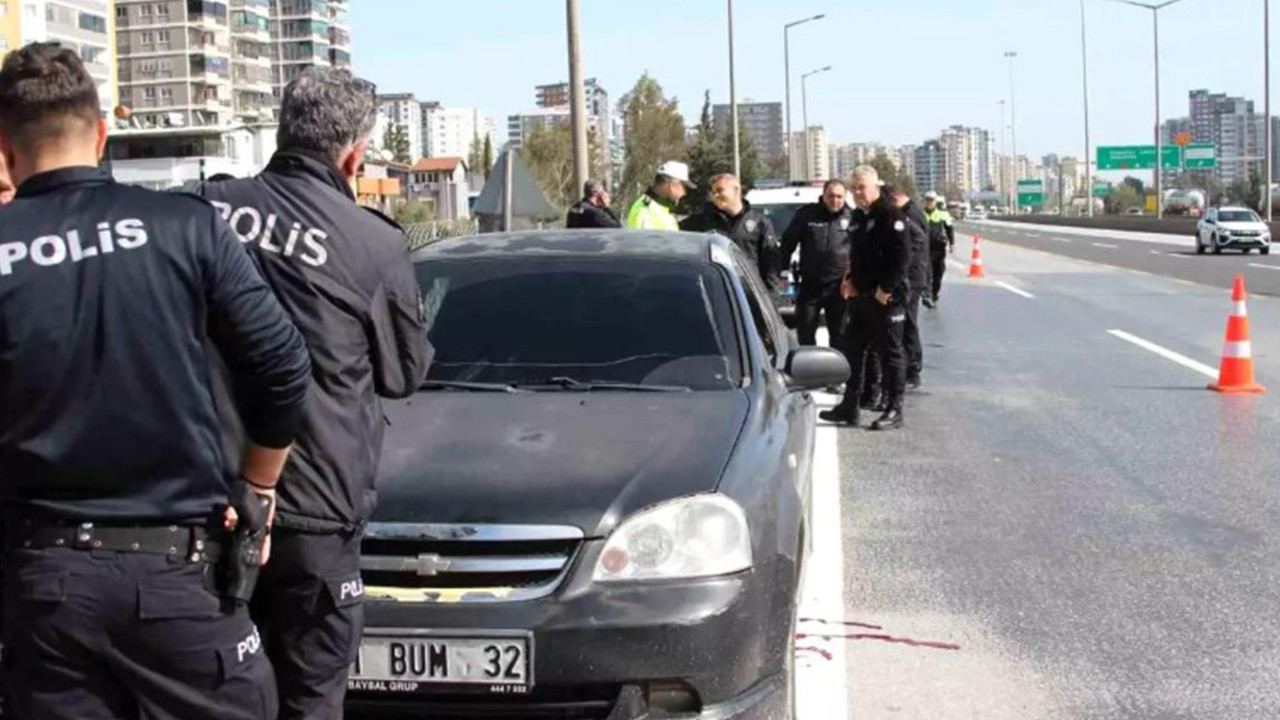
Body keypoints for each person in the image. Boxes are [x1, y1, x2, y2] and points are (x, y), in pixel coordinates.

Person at [0, 43, 312, 720]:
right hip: (180, 575)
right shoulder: (184, 226)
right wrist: (258, 488)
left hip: (45, 585)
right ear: (103, 132)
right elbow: (283, 368)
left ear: (4, 147)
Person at [197, 67, 433, 720]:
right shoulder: (372, 242)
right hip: (314, 517)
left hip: (200, 508)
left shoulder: (204, 208)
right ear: (355, 155)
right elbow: (403, 374)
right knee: (310, 698)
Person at [821, 166, 910, 430]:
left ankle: (895, 409)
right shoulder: (859, 217)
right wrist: (849, 281)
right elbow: (856, 255)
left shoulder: (890, 214)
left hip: (886, 297)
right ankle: (850, 407)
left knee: (890, 353)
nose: (858, 193)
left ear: (876, 187)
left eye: (862, 187)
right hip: (861, 296)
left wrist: (886, 288)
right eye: (855, 188)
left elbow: (902, 257)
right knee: (852, 351)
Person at [780, 179, 856, 347]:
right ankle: (808, 371)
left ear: (845, 197)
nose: (835, 200)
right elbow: (787, 243)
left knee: (840, 336)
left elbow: (860, 252)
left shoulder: (853, 217)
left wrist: (854, 280)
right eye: (831, 196)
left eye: (839, 196)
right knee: (806, 335)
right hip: (810, 286)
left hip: (840, 287)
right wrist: (783, 273)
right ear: (823, 195)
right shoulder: (806, 215)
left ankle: (838, 372)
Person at [680, 173, 779, 289]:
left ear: (736, 191)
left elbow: (771, 266)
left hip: (748, 292)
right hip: (714, 290)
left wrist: (770, 299)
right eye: (713, 192)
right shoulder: (701, 222)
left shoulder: (759, 223)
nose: (715, 195)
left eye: (720, 190)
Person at [887, 185, 930, 388]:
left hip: (912, 278)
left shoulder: (910, 215)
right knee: (904, 323)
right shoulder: (908, 212)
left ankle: (913, 370)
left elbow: (918, 240)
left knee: (909, 324)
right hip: (910, 276)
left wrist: (902, 259)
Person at [626, 160, 693, 230]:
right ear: (672, 185)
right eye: (683, 187)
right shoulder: (646, 211)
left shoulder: (661, 208)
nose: (685, 192)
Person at [923, 191, 955, 307]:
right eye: (927, 200)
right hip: (925, 249)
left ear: (935, 201)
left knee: (939, 273)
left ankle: (934, 293)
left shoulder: (943, 214)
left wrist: (952, 244)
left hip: (939, 249)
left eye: (931, 200)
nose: (929, 202)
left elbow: (950, 229)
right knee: (927, 273)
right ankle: (927, 295)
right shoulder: (921, 214)